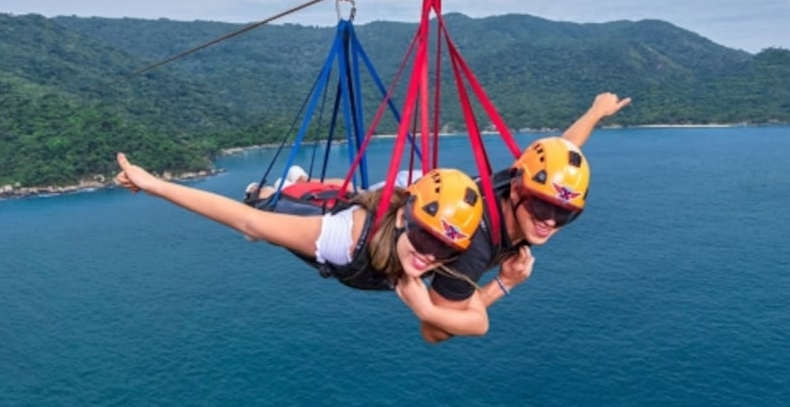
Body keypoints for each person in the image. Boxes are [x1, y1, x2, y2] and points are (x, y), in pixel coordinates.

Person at [115, 153, 490, 340]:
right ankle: (271, 187)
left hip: (373, 198)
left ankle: (304, 181)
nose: (430, 255)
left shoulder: (446, 236)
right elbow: (247, 222)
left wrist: (505, 281)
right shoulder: (343, 241)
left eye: (445, 249)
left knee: (350, 192)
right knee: (261, 213)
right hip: (335, 220)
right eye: (424, 237)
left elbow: (475, 322)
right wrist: (154, 185)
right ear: (401, 219)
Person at [420, 91, 632, 343]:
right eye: (542, 207)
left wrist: (596, 112)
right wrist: (504, 283)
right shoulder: (474, 245)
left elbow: (560, 155)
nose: (550, 221)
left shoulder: (521, 180)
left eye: (565, 213)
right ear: (516, 190)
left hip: (424, 192)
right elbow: (433, 331)